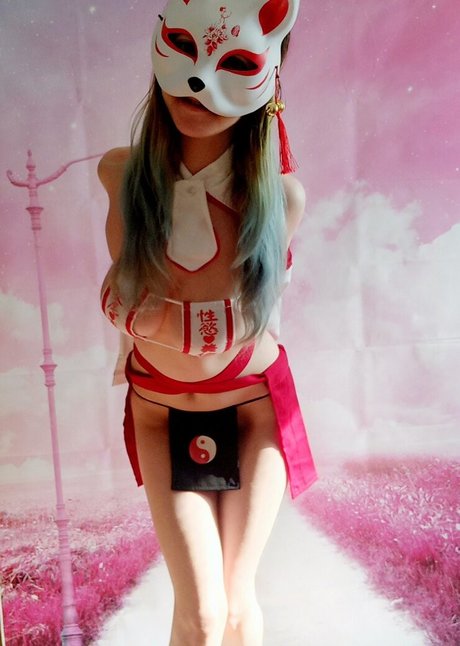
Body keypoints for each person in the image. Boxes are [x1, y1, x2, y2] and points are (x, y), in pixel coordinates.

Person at [98, 1, 317, 644]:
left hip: (254, 407)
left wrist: (168, 321)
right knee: (201, 612)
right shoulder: (122, 174)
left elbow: (239, 322)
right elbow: (125, 303)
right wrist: (175, 323)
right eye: (186, 50)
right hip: (161, 409)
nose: (201, 83)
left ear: (269, 78)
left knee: (236, 606)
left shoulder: (280, 199)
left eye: (237, 64)